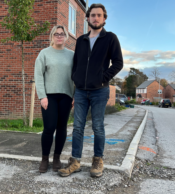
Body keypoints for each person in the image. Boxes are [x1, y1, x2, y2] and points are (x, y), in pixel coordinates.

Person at [58, 3, 123, 178]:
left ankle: (98, 160)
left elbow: (118, 63)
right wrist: (76, 78)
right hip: (80, 91)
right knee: (77, 127)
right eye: (92, 15)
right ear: (87, 18)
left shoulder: (110, 38)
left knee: (98, 127)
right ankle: (75, 162)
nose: (95, 18)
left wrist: (103, 77)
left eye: (99, 15)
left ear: (104, 18)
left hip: (99, 91)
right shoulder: (81, 40)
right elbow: (77, 63)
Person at [34, 25, 75, 173]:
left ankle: (56, 158)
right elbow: (38, 76)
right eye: (56, 34)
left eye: (62, 34)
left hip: (66, 96)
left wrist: (74, 95)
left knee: (62, 128)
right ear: (52, 36)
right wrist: (42, 96)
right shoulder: (44, 53)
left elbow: (76, 76)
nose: (59, 36)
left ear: (66, 37)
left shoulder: (71, 55)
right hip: (49, 97)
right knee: (49, 128)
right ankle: (45, 159)